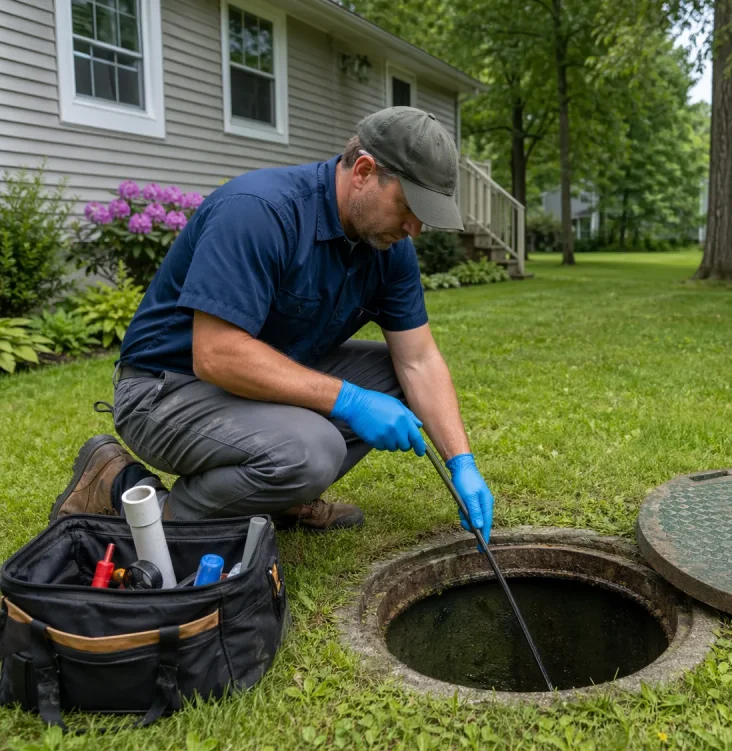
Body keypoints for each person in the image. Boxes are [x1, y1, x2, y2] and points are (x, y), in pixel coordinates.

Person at [50, 107, 494, 542]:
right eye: (408, 206)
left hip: (251, 384)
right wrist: (351, 400)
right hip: (164, 389)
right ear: (363, 171)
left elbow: (419, 360)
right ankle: (136, 498)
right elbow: (218, 355)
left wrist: (461, 463)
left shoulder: (387, 248)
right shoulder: (260, 211)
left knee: (393, 376)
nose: (414, 228)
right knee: (313, 450)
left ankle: (274, 497)